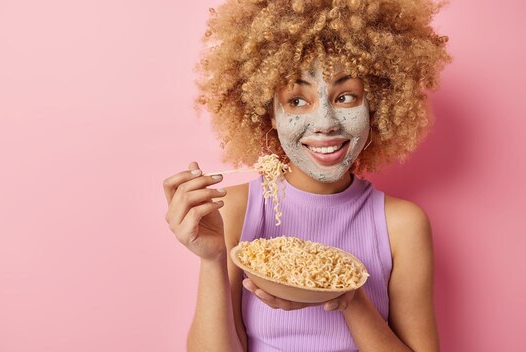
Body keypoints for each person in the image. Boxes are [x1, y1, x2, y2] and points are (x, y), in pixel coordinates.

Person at [163, 0, 451, 351]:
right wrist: (212, 259)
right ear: (268, 113)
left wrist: (349, 298)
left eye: (345, 96)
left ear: (376, 106)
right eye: (297, 101)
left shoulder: (402, 224)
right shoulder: (235, 210)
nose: (326, 123)